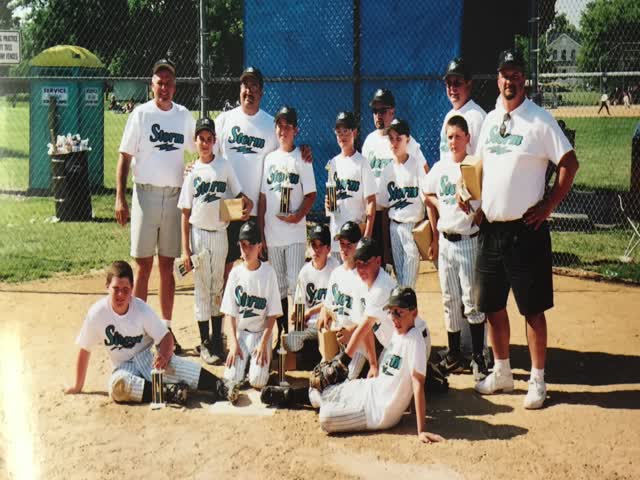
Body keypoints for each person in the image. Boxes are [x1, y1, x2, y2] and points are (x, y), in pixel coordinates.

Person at [472, 49, 578, 409]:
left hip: (525, 230)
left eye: (516, 74)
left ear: (524, 79)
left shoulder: (539, 119)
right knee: (492, 305)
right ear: (497, 78)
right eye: (504, 74)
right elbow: (479, 166)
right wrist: (471, 197)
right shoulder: (490, 120)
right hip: (491, 229)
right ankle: (502, 372)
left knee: (532, 309)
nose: (509, 80)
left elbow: (569, 163)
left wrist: (548, 205)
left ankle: (537, 379)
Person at [261, 286, 444, 445]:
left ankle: (320, 402)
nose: (394, 318)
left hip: (377, 412)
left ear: (414, 312)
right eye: (391, 311)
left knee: (326, 418)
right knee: (324, 389)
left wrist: (421, 430)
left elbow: (417, 383)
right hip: (370, 389)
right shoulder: (398, 332)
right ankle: (289, 395)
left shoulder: (415, 341)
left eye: (399, 312)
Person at [64, 261, 239, 405]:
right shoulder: (97, 313)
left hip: (149, 359)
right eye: (116, 288)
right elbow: (84, 348)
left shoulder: (141, 309)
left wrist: (164, 355)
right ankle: (169, 392)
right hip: (124, 367)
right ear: (107, 287)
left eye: (125, 289)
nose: (120, 295)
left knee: (178, 367)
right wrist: (77, 385)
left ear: (132, 289)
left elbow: (166, 338)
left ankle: (220, 385)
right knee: (117, 387)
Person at [115, 58, 196, 354]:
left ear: (175, 86)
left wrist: (195, 167)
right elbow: (124, 157)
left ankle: (165, 329)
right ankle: (136, 329)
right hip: (145, 195)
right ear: (152, 85)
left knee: (167, 266)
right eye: (160, 82)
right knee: (143, 265)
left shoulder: (183, 115)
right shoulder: (141, 114)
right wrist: (120, 197)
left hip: (174, 196)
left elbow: (202, 147)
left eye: (169, 83)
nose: (164, 87)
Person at [213, 67, 313, 283]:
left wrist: (303, 150)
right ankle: (225, 304)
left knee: (260, 268)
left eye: (254, 86)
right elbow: (211, 159)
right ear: (240, 89)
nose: (249, 91)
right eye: (245, 85)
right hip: (230, 205)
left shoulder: (270, 124)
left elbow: (286, 151)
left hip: (258, 208)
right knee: (225, 267)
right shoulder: (224, 120)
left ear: (261, 92)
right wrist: (193, 166)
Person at [177, 117, 252, 364]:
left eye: (209, 139)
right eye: (201, 139)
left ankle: (217, 338)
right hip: (198, 234)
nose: (205, 143)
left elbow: (239, 194)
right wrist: (185, 250)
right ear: (195, 141)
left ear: (215, 141)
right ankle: (204, 342)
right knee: (201, 287)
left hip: (220, 233)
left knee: (217, 285)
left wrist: (246, 204)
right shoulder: (192, 173)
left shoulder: (223, 166)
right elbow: (185, 212)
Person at [425, 115, 488, 381]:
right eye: (450, 137)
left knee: (471, 302)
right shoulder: (440, 167)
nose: (453, 142)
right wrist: (439, 205)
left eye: (458, 136)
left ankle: (478, 356)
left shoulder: (473, 166)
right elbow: (426, 191)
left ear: (467, 138)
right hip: (446, 242)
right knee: (450, 299)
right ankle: (454, 354)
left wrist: (475, 211)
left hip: (467, 241)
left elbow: (485, 205)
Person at [435, 57, 487, 355]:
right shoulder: (450, 116)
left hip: (469, 215)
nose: (453, 88)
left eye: (458, 82)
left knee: (470, 294)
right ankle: (461, 352)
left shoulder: (476, 117)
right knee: (452, 294)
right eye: (449, 83)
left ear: (469, 84)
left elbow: (482, 166)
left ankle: (477, 352)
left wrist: (480, 208)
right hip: (450, 214)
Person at [258, 106, 317, 348]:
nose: (283, 130)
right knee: (279, 285)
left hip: (294, 234)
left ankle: (300, 331)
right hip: (272, 234)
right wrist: (261, 232)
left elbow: (311, 195)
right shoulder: (269, 159)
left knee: (296, 285)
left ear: (296, 130)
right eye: (279, 126)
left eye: (288, 126)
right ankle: (282, 333)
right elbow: (263, 197)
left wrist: (298, 216)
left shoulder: (302, 158)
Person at [361, 89, 429, 257]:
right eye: (375, 111)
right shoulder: (369, 141)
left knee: (394, 261)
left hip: (395, 213)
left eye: (382, 110)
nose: (378, 115)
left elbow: (425, 170)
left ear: (392, 111)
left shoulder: (404, 140)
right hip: (372, 212)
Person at [222, 221, 283, 389]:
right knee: (231, 379)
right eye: (243, 245)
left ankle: (255, 366)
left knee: (258, 381)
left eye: (251, 245)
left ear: (259, 246)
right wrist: (233, 343)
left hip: (261, 334)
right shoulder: (235, 273)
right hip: (241, 334)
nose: (246, 250)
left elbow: (272, 314)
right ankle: (245, 366)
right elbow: (229, 313)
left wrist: (264, 343)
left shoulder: (269, 272)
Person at [377, 119, 428, 289]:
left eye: (398, 138)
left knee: (408, 283)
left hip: (412, 227)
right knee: (400, 281)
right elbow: (384, 208)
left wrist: (433, 233)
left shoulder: (416, 165)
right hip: (394, 227)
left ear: (408, 140)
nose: (394, 143)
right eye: (391, 139)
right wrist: (386, 247)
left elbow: (428, 199)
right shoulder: (387, 170)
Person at [325, 111, 377, 263]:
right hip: (336, 235)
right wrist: (327, 204)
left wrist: (367, 235)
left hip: (355, 236)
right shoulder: (332, 163)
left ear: (354, 132)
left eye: (346, 131)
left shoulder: (362, 163)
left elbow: (371, 201)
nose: (342, 136)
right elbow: (331, 200)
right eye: (339, 132)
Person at [285, 223, 339, 353]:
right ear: (309, 247)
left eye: (321, 245)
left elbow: (335, 301)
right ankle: (312, 352)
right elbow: (299, 304)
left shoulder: (335, 267)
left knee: (334, 331)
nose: (316, 250)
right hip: (310, 324)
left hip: (329, 321)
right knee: (291, 340)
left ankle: (325, 353)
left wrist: (310, 312)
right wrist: (298, 318)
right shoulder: (305, 272)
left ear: (328, 249)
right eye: (313, 245)